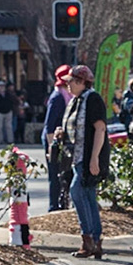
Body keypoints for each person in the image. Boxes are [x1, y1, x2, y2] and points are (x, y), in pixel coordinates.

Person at [62, 65, 112, 259]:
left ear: (83, 82)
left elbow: (100, 129)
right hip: (76, 157)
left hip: (87, 157)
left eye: (71, 81)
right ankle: (94, 241)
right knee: (88, 197)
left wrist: (94, 159)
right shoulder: (76, 101)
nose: (68, 85)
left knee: (77, 192)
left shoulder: (93, 99)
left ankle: (88, 238)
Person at [44, 65, 72, 211]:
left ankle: (64, 203)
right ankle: (53, 206)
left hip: (64, 139)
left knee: (65, 175)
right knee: (55, 175)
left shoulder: (69, 96)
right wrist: (51, 148)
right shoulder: (57, 98)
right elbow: (49, 126)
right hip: (53, 140)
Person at [0, 79, 17, 145]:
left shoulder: (8, 94)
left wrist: (11, 109)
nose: (2, 87)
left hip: (8, 111)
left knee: (9, 126)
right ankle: (1, 140)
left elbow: (13, 102)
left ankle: (10, 140)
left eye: (3, 86)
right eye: (0, 86)